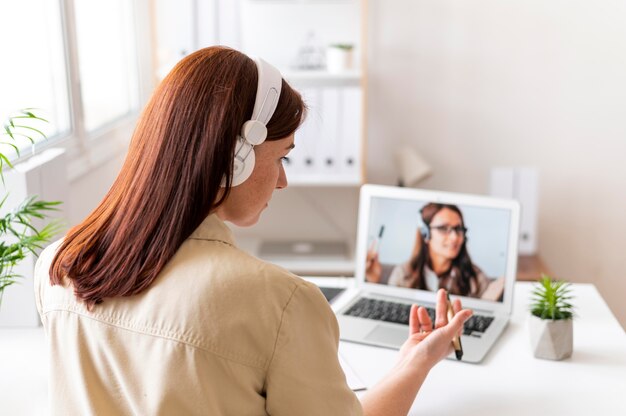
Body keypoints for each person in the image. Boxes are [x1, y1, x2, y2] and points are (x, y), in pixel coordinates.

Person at [34, 46, 472, 415]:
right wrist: (419, 366)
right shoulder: (279, 303)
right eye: (283, 156)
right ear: (234, 155)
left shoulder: (57, 264)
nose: (283, 181)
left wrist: (411, 357)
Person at [366, 203, 504, 300]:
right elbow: (389, 309)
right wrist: (373, 283)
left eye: (458, 229)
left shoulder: (476, 278)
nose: (455, 237)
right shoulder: (403, 274)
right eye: (444, 228)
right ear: (425, 234)